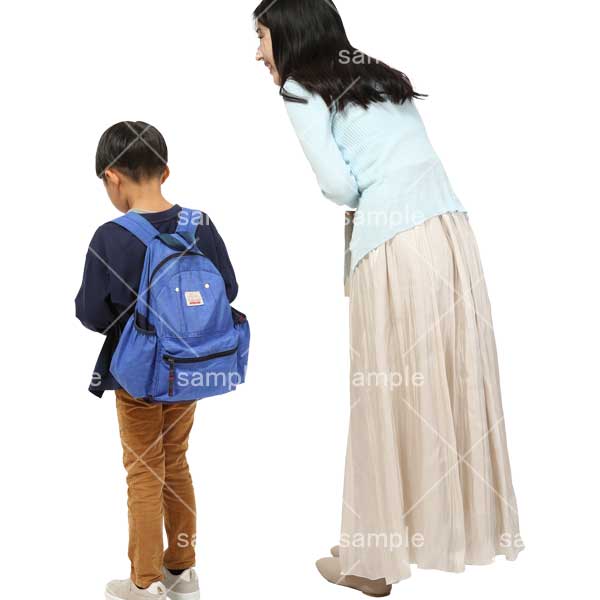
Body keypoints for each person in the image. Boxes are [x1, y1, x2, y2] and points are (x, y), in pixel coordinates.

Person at [254, 0, 524, 595]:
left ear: (291, 36)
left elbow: (338, 184)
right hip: (449, 233)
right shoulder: (378, 74)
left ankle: (370, 564)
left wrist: (364, 197)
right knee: (445, 384)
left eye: (263, 37)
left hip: (392, 241)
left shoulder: (300, 89)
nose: (258, 53)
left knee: (380, 391)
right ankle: (387, 537)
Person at [75, 121, 238, 600]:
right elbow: (228, 290)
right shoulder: (199, 224)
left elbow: (91, 313)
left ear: (112, 177)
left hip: (139, 377)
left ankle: (144, 582)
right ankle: (182, 572)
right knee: (176, 462)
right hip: (191, 371)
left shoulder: (111, 236)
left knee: (144, 472)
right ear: (165, 171)